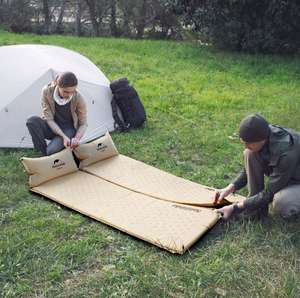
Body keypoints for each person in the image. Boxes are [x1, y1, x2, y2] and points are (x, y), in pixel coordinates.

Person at [215, 114, 300, 220]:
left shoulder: (286, 153)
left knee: (282, 203)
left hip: (297, 182)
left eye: (249, 143)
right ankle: (255, 209)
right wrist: (231, 187)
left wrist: (235, 207)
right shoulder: (263, 133)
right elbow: (248, 170)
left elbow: (269, 193)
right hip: (285, 175)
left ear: (262, 139)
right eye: (243, 142)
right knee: (249, 153)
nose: (245, 146)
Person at [26, 72, 87, 156]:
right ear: (57, 85)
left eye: (72, 91)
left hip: (68, 130)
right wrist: (62, 136)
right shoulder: (47, 91)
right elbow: (49, 119)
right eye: (66, 92)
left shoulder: (78, 98)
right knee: (32, 121)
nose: (69, 95)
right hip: (51, 126)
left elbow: (83, 123)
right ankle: (42, 153)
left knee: (51, 151)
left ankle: (49, 153)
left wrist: (76, 138)